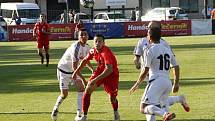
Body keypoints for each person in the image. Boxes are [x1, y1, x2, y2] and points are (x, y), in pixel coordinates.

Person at [133, 21, 190, 121]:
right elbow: (176, 66)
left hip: (155, 81)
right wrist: (175, 83)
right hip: (167, 82)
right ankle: (179, 99)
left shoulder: (149, 49)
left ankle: (165, 114)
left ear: (149, 37)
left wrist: (137, 83)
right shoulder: (166, 49)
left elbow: (146, 69)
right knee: (157, 104)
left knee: (143, 108)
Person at [72, 34, 120, 121]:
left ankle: (116, 113)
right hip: (100, 71)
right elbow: (85, 61)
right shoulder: (93, 50)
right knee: (88, 89)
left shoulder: (106, 53)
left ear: (104, 43)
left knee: (112, 98)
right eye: (95, 41)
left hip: (112, 75)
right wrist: (76, 71)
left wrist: (95, 79)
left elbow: (109, 70)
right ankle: (84, 116)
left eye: (99, 41)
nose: (97, 43)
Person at [51, 28, 94, 121]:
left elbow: (85, 61)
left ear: (88, 36)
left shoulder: (87, 47)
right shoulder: (76, 48)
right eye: (81, 35)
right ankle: (56, 108)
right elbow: (75, 67)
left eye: (85, 34)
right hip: (63, 71)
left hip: (74, 71)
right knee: (64, 94)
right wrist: (83, 79)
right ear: (78, 37)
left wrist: (93, 70)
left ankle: (79, 114)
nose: (83, 36)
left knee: (81, 90)